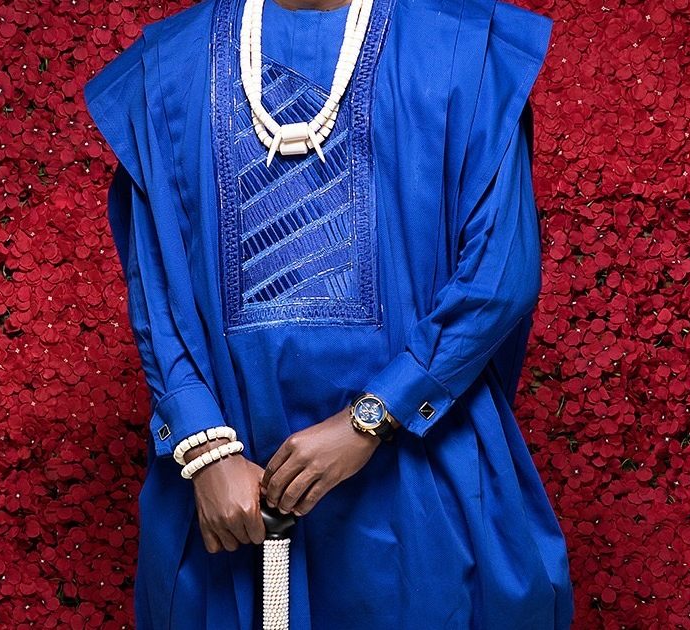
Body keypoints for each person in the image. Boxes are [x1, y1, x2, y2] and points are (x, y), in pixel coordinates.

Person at [83, 0, 573, 626]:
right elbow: (153, 291)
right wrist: (206, 448)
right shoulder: (167, 70)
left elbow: (499, 277)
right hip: (231, 490)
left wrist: (372, 417)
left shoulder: (465, 52)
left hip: (423, 479)